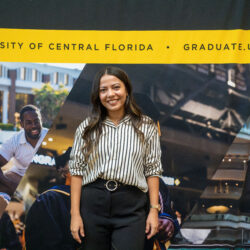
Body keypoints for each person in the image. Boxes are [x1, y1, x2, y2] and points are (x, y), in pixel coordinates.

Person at [69, 66, 163, 250]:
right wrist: (75, 214)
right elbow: (77, 172)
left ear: (126, 89)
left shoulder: (147, 126)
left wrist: (153, 210)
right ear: (98, 95)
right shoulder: (86, 128)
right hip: (92, 204)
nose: (110, 94)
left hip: (132, 207)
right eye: (103, 90)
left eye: (116, 87)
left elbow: (153, 170)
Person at [0, 105, 48, 198]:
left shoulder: (49, 136)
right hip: (18, 178)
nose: (34, 126)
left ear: (41, 120)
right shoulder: (14, 140)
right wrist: (10, 184)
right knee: (6, 178)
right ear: (22, 124)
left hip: (43, 181)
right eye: (29, 122)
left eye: (36, 121)